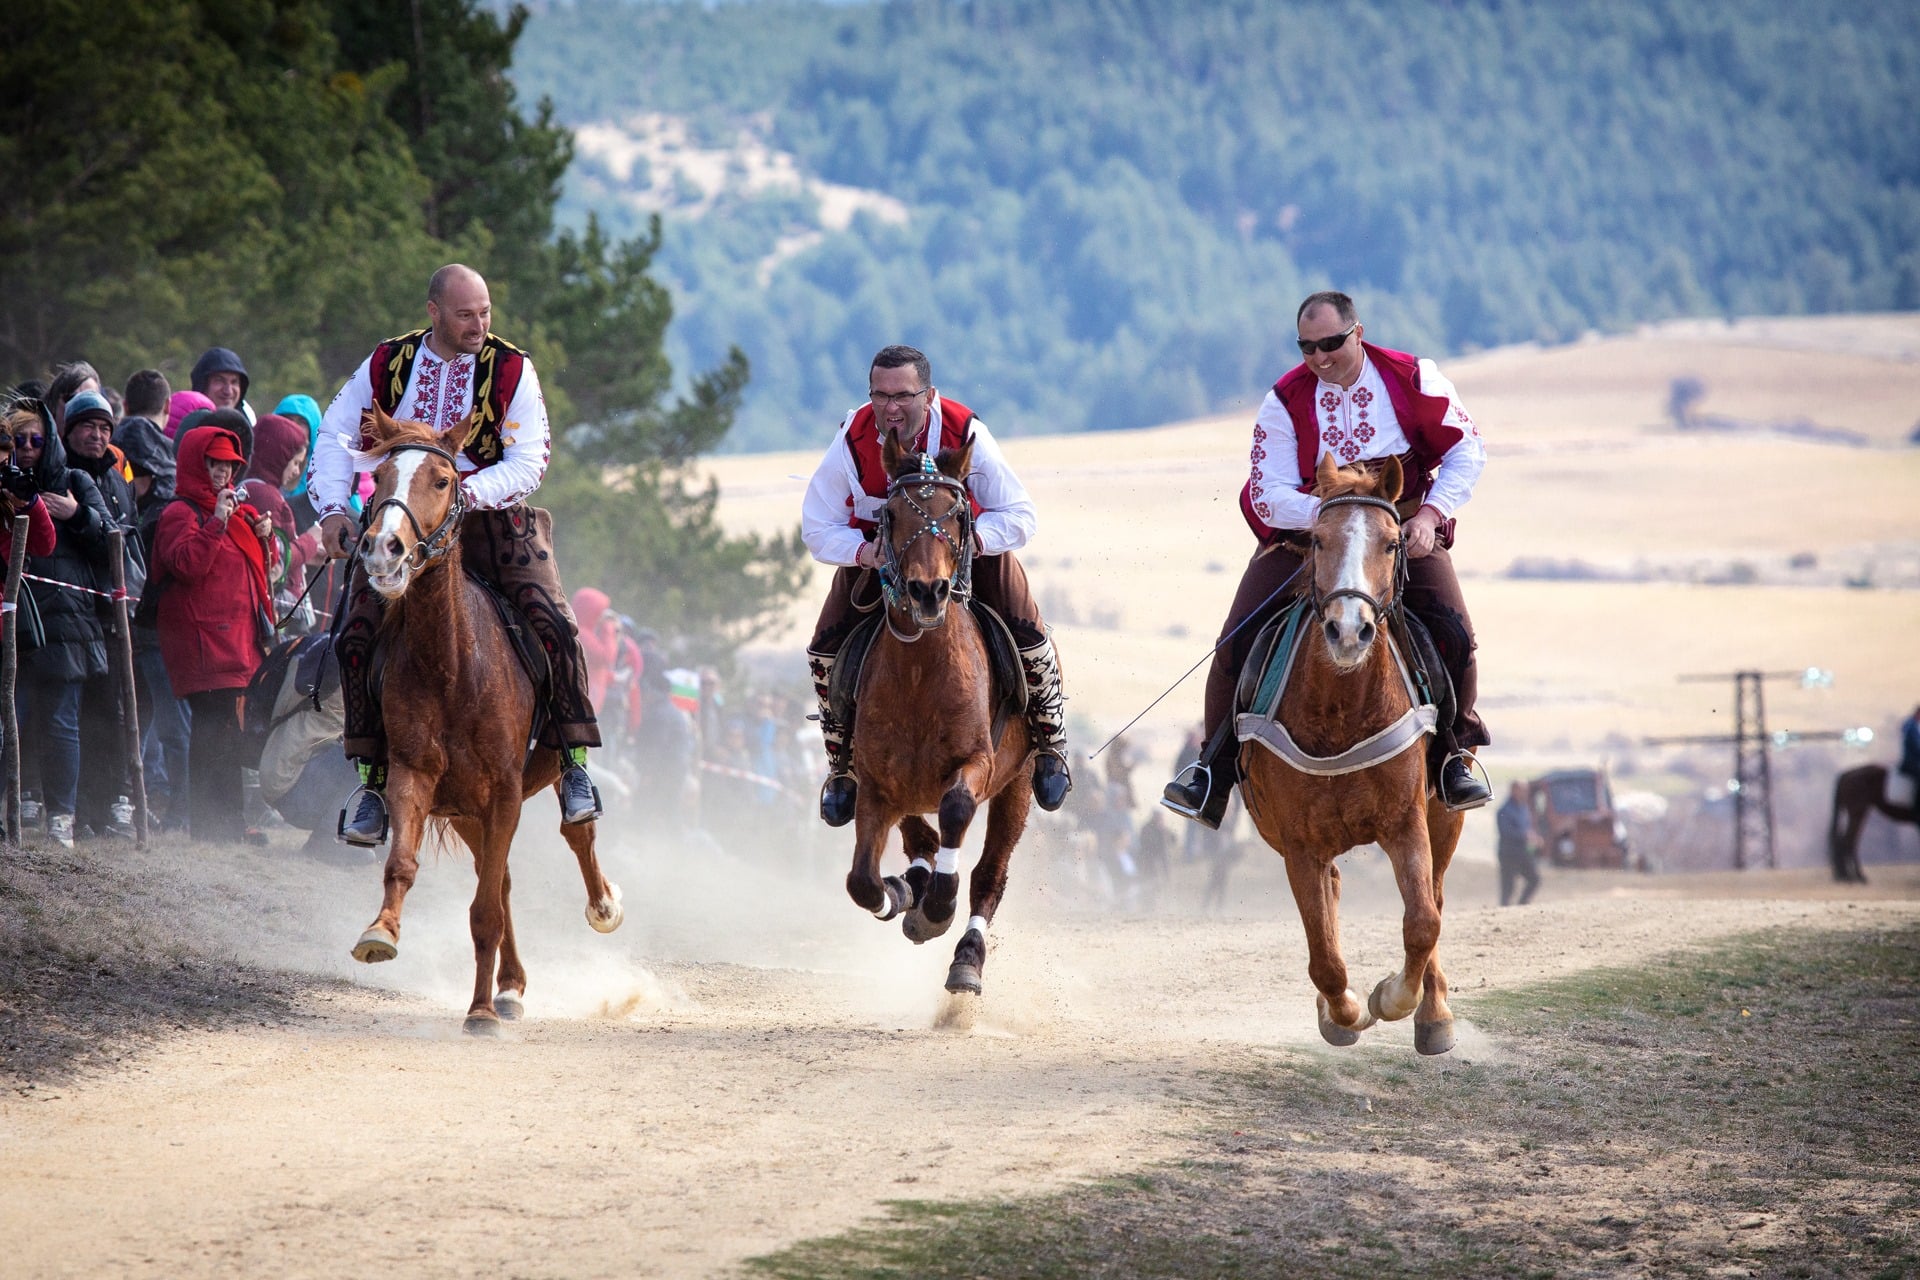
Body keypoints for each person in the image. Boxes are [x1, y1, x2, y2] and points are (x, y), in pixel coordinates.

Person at [1164, 290, 1493, 827]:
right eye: (1307, 347)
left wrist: (1430, 517)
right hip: (1311, 533)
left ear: (1357, 333)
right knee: (1235, 639)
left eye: (1331, 344)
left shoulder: (1413, 379)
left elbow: (1467, 449)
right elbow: (1266, 491)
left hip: (1400, 529)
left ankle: (1455, 753)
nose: (1319, 358)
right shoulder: (1284, 400)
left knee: (1455, 631)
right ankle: (1211, 773)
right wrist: (1331, 518)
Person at [313, 262, 604, 843]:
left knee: (555, 626)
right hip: (399, 522)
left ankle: (573, 765)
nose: (479, 324)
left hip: (488, 517)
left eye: (485, 312)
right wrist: (332, 510)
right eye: (466, 314)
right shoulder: (387, 362)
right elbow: (336, 434)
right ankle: (372, 781)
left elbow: (529, 459)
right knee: (353, 636)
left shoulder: (511, 368)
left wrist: (459, 496)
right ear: (435, 312)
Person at [799, 344, 1072, 826]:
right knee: (823, 649)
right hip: (882, 560)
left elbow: (1022, 515)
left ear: (928, 394)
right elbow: (817, 526)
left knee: (1028, 632)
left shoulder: (966, 431)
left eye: (903, 395)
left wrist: (968, 545)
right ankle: (842, 766)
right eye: (880, 396)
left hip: (970, 553)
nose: (890, 408)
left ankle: (1050, 741)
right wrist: (866, 553)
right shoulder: (851, 438)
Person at [152, 424, 274, 843]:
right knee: (211, 728)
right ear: (194, 463)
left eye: (229, 465)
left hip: (237, 640)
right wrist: (218, 521)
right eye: (214, 463)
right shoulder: (179, 514)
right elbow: (186, 565)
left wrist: (266, 539)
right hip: (202, 643)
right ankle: (209, 825)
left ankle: (230, 823)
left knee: (228, 730)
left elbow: (260, 571)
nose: (222, 473)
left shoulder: (240, 513)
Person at [12, 397, 112, 848]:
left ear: (50, 440)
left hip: (66, 622)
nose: (29, 447)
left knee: (60, 723)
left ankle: (61, 821)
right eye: (19, 440)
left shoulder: (75, 481)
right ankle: (12, 811)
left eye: (37, 438)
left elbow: (114, 545)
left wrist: (78, 515)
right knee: (10, 718)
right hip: (13, 620)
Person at [61, 390, 144, 837]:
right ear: (69, 431)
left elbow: (126, 538)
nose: (96, 435)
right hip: (75, 611)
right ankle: (79, 809)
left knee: (112, 711)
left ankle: (111, 803)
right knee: (79, 712)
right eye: (88, 427)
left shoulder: (116, 477)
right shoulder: (59, 476)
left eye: (104, 428)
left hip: (114, 613)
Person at [1496, 780, 1542, 906]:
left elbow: (1527, 827)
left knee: (1534, 879)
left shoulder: (1523, 807)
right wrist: (1525, 835)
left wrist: (1534, 837)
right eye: (1523, 790)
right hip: (1508, 853)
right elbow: (1505, 832)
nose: (1525, 793)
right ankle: (1503, 910)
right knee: (1508, 886)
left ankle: (1522, 904)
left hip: (1523, 852)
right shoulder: (1504, 810)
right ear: (1514, 790)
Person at [190, 346, 254, 423]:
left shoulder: (249, 422)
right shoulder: (182, 424)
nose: (228, 391)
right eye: (219, 381)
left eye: (234, 382)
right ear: (202, 385)